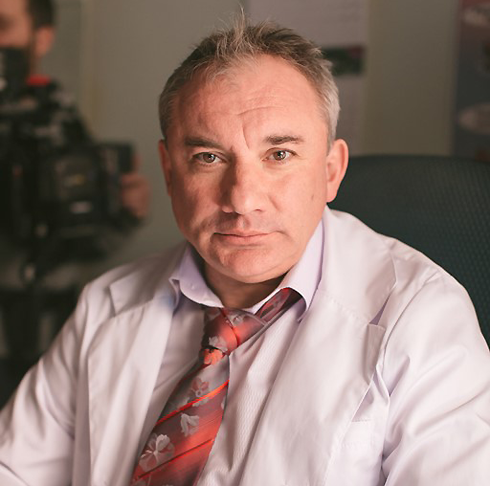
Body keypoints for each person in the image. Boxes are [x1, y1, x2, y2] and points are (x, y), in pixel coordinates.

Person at [1, 15, 490, 486]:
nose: (242, 199)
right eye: (209, 157)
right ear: (169, 172)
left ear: (330, 172)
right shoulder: (106, 303)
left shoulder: (421, 318)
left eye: (279, 155)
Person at [0, 0, 149, 396]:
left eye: (2, 26)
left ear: (41, 38)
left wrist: (122, 214)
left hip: (41, 330)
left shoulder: (55, 120)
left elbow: (85, 242)